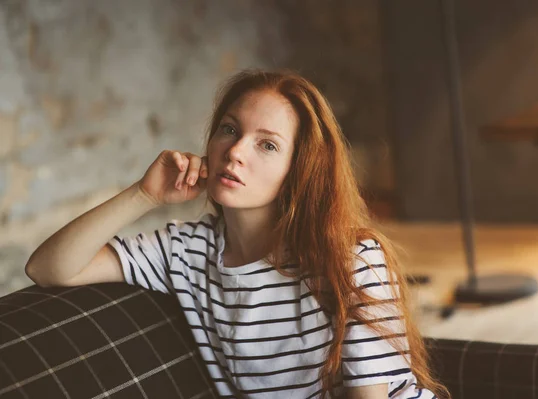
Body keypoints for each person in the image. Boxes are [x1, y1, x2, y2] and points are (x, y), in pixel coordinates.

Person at [25, 69, 449, 399]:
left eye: (267, 145)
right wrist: (144, 195)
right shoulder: (186, 251)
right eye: (229, 129)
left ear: (298, 169)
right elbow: (48, 268)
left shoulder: (353, 257)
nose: (235, 152)